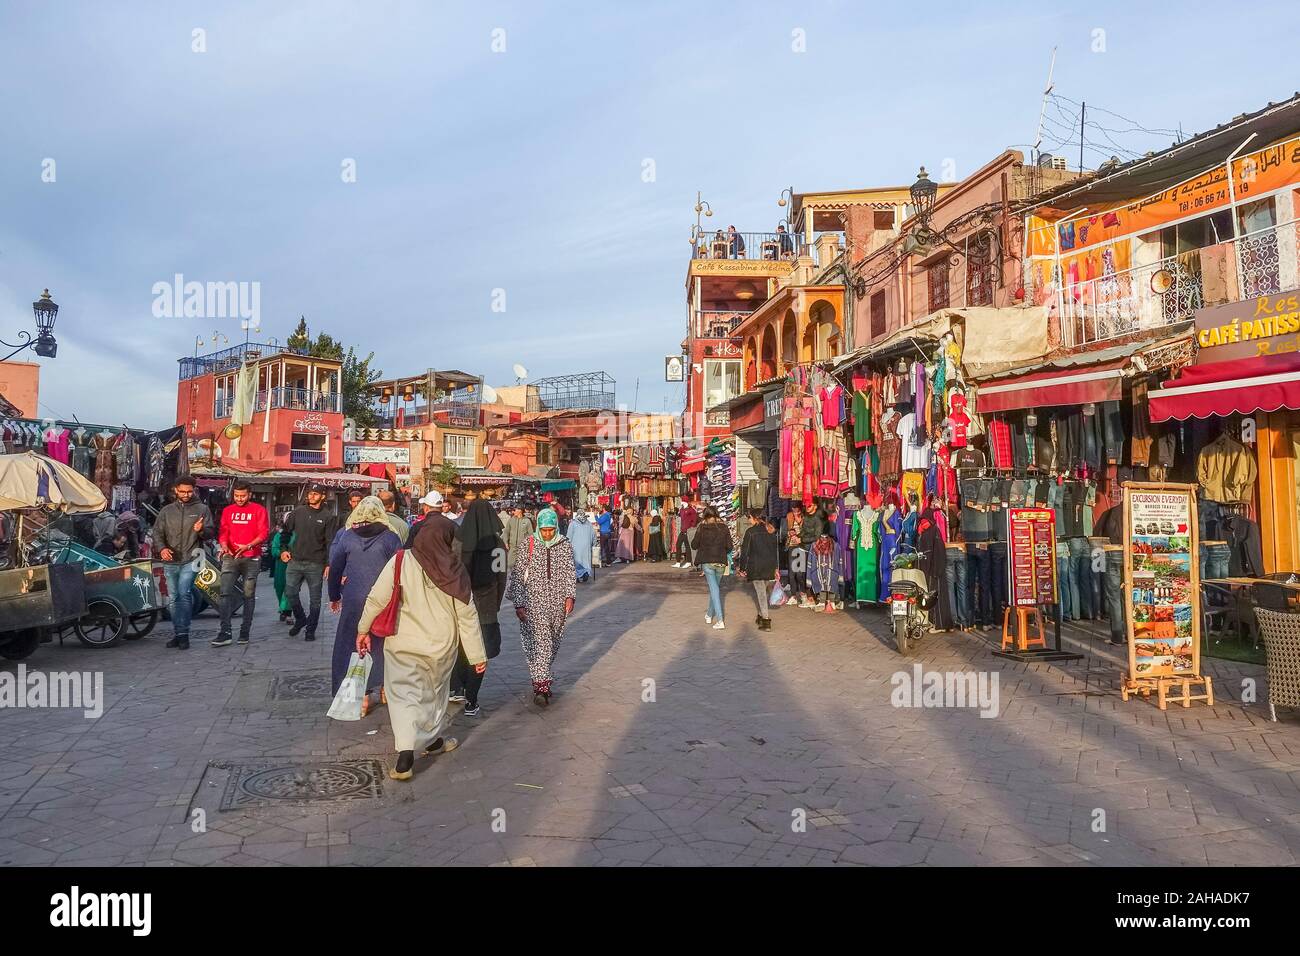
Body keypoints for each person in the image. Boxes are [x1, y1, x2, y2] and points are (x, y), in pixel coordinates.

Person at [357, 514, 487, 781]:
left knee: (404, 696)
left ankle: (407, 753)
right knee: (434, 696)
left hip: (403, 643)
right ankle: (432, 741)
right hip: (440, 646)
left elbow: (376, 598)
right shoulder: (455, 571)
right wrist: (476, 655)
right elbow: (468, 616)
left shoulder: (401, 560)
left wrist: (362, 630)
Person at [328, 496, 401, 714]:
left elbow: (335, 569)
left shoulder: (348, 536)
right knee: (383, 643)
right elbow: (399, 569)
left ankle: (361, 698)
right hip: (383, 599)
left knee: (352, 644)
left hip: (353, 598)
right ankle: (385, 688)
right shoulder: (390, 538)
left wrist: (334, 596)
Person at [506, 507, 577, 705]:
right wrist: (519, 603)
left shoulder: (564, 545)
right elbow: (519, 576)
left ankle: (540, 677)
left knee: (553, 642)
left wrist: (570, 596)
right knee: (541, 642)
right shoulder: (528, 544)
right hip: (533, 602)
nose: (547, 534)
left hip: (557, 603)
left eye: (551, 530)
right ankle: (542, 685)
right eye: (544, 530)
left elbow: (570, 571)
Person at [452, 493, 507, 717]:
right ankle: (471, 700)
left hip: (461, 603)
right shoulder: (498, 544)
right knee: (480, 653)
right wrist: (496, 603)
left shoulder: (458, 541)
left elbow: (452, 574)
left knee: (460, 649)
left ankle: (457, 688)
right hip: (485, 607)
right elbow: (501, 577)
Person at [153, 476, 214, 650]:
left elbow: (210, 533)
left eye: (189, 491)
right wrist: (162, 548)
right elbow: (157, 533)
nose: (186, 494)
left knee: (184, 593)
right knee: (173, 598)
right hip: (170, 560)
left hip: (192, 557)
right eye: (182, 491)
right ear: (176, 490)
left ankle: (184, 633)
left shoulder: (202, 509)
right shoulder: (166, 511)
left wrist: (201, 530)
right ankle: (178, 632)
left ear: (194, 490)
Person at [281, 483, 341, 642]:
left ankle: (310, 629)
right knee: (290, 593)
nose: (311, 496)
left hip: (316, 563)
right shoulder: (298, 512)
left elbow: (330, 542)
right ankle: (300, 618)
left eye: (315, 494)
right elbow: (285, 532)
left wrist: (329, 563)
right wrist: (283, 549)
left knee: (315, 600)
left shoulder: (328, 517)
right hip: (295, 560)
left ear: (322, 496)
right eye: (310, 493)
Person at [213, 480, 269, 647]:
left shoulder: (259, 510)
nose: (239, 498)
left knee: (248, 595)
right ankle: (225, 631)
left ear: (249, 494)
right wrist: (223, 546)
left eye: (243, 496)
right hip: (230, 557)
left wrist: (249, 545)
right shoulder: (228, 511)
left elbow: (264, 533)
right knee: (224, 594)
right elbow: (223, 531)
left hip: (252, 557)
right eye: (236, 496)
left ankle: (245, 632)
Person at [738, 509, 779, 631]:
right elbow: (775, 551)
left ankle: (766, 621)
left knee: (761, 594)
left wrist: (742, 568)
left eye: (749, 518)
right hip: (769, 566)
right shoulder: (770, 530)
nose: (748, 520)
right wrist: (776, 567)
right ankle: (761, 616)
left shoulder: (750, 532)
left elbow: (745, 551)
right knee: (763, 592)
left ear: (754, 518)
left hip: (756, 566)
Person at [694, 507, 732, 629]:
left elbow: (694, 545)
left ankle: (720, 620)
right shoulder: (724, 528)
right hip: (720, 562)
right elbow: (730, 546)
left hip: (707, 562)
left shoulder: (702, 528)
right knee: (714, 589)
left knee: (714, 590)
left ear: (705, 517)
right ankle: (709, 614)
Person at [269, 517, 293, 623]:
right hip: (280, 565)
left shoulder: (297, 535)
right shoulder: (278, 536)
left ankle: (287, 612)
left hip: (293, 565)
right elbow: (274, 550)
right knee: (279, 588)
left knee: (290, 589)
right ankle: (282, 608)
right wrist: (281, 553)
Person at [568, 508, 596, 582]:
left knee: (577, 561)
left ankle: (577, 576)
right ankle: (585, 573)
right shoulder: (589, 523)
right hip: (586, 547)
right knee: (586, 561)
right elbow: (593, 535)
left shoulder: (573, 524)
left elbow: (569, 536)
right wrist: (594, 544)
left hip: (576, 547)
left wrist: (567, 545)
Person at [502, 504, 534, 570]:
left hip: (523, 548)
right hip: (512, 547)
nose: (513, 512)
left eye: (515, 510)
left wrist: (528, 545)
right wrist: (505, 542)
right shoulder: (511, 520)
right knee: (509, 564)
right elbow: (506, 532)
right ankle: (512, 578)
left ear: (520, 511)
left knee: (522, 566)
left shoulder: (527, 521)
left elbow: (531, 534)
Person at [673, 499, 698, 567]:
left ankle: (688, 561)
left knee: (687, 546)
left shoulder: (691, 510)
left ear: (686, 502)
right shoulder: (682, 509)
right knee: (678, 545)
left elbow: (694, 519)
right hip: (682, 530)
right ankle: (678, 562)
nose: (681, 503)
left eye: (683, 501)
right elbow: (681, 516)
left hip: (688, 530)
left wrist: (691, 527)